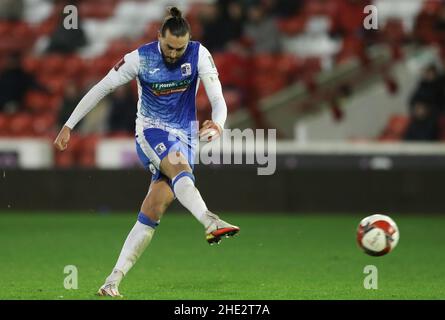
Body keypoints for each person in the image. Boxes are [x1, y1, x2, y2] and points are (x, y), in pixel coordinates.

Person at [53, 7, 240, 297]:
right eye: (169, 46)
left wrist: (218, 124)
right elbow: (101, 88)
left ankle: (111, 281)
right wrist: (69, 124)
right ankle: (210, 220)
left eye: (179, 48)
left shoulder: (199, 53)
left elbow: (218, 98)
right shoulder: (140, 58)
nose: (174, 53)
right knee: (181, 169)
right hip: (151, 132)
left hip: (185, 137)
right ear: (159, 37)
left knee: (154, 208)